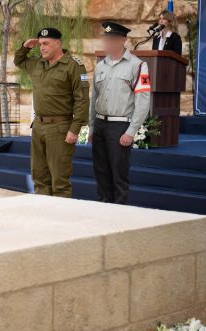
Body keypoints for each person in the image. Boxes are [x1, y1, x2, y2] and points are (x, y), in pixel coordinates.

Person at [14, 28, 89, 198]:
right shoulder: (38, 63)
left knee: (59, 180)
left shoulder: (73, 66)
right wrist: (25, 47)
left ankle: (60, 213)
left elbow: (82, 99)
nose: (42, 47)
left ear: (58, 43)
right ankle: (43, 210)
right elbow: (18, 60)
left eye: (46, 44)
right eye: (40, 44)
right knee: (39, 176)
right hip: (38, 126)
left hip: (60, 128)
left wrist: (75, 129)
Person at [89, 22, 151, 204]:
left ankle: (120, 212)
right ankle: (104, 209)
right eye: (106, 38)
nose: (108, 42)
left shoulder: (137, 65)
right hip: (100, 124)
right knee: (101, 173)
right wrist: (91, 127)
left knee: (119, 175)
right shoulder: (101, 65)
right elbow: (94, 99)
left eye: (112, 38)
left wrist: (131, 131)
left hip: (120, 126)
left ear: (123, 40)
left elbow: (143, 101)